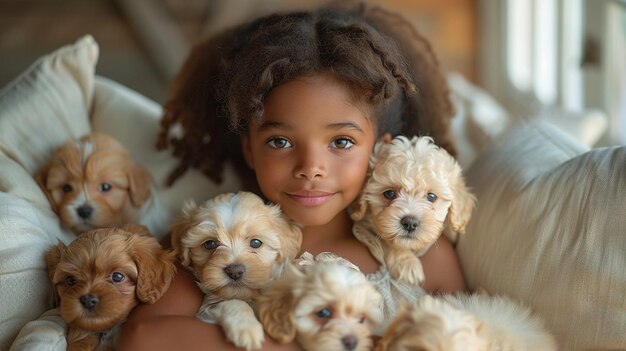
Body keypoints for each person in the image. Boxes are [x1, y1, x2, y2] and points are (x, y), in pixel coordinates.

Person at [120, 2, 466, 350]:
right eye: (280, 141)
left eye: (342, 141)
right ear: (249, 150)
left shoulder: (426, 256)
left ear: (380, 151)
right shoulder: (212, 242)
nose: (310, 166)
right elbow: (143, 337)